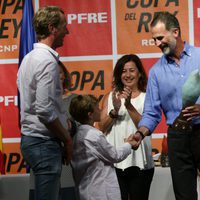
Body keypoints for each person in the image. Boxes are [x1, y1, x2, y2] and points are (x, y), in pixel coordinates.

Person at [134, 12, 200, 200]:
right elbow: (151, 113)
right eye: (154, 39)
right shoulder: (155, 72)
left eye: (160, 38)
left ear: (176, 32)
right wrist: (140, 134)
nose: (157, 43)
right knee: (184, 196)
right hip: (177, 139)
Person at [17, 6, 72, 200]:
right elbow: (45, 111)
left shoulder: (28, 59)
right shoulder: (47, 62)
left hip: (33, 140)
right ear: (52, 28)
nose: (68, 31)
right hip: (43, 143)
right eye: (64, 26)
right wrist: (67, 139)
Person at [98, 54, 154, 200]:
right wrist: (115, 110)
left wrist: (128, 105)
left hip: (140, 164)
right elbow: (102, 127)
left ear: (139, 73)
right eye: (123, 71)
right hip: (114, 164)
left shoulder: (147, 97)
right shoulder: (110, 97)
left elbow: (145, 126)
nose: (127, 75)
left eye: (132, 70)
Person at [69, 94, 138, 200]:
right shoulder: (93, 135)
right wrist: (129, 144)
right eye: (97, 108)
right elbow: (115, 155)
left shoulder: (76, 135)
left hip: (84, 191)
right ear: (90, 114)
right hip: (100, 193)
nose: (100, 110)